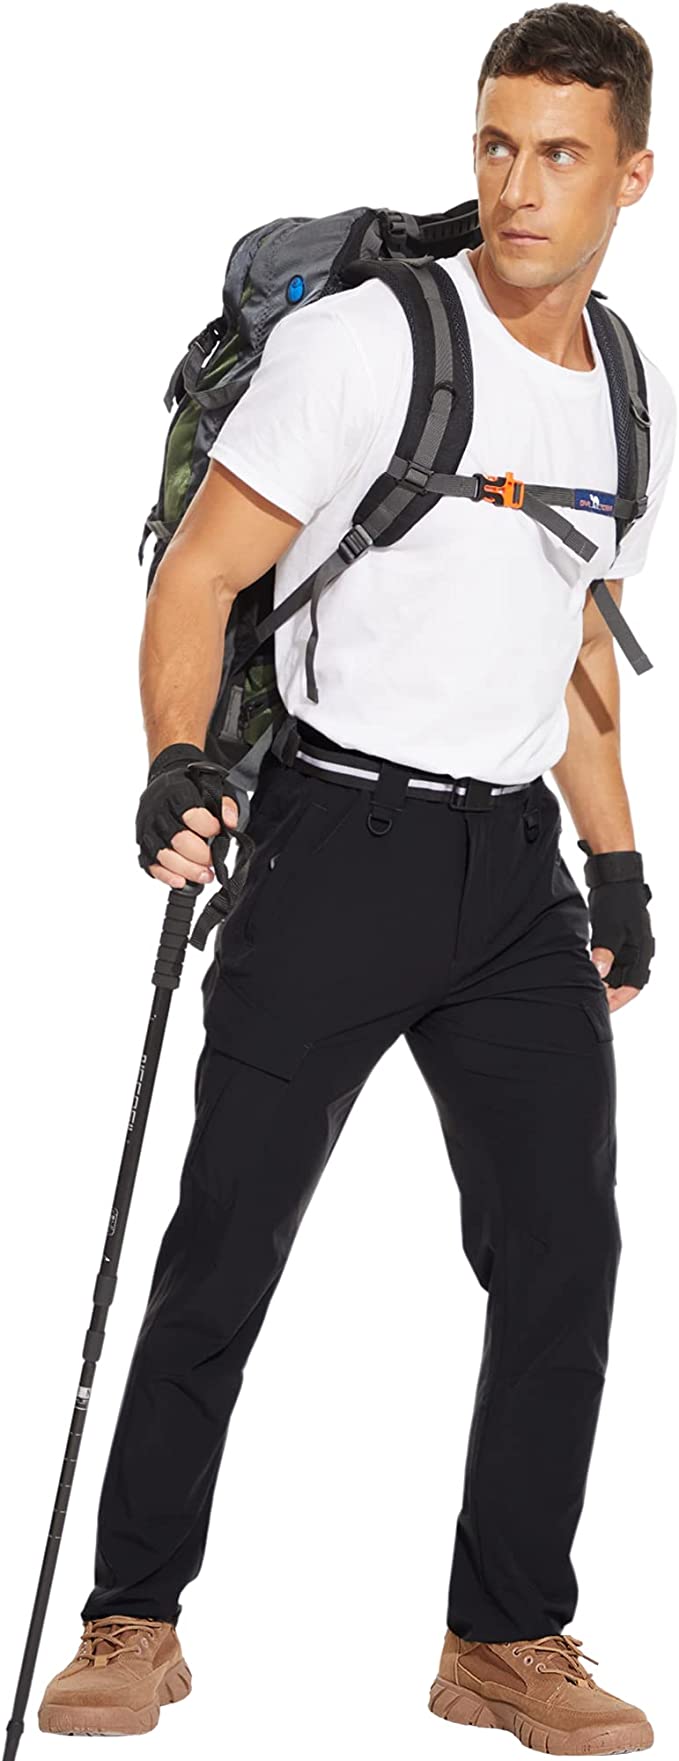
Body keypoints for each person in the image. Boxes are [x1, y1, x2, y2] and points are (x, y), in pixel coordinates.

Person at [39, 3, 675, 1750]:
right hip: (333, 842)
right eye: (496, 144)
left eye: (560, 153)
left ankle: (505, 1637)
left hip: (513, 875)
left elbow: (578, 639)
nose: (519, 184)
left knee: (565, 1253)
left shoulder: (629, 385)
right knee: (225, 1242)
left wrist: (618, 864)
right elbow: (197, 577)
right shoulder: (367, 344)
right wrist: (176, 758)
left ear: (631, 174)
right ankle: (132, 1614)